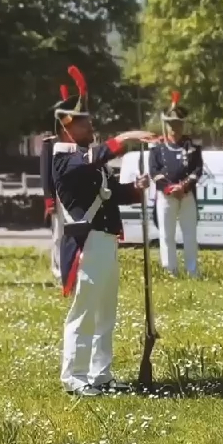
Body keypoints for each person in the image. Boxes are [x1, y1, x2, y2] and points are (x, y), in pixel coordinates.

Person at [50, 66, 154, 396]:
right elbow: (94, 158)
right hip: (86, 243)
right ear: (66, 128)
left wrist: (135, 189)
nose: (89, 125)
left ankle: (100, 372)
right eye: (82, 122)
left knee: (106, 309)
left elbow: (109, 192)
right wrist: (124, 139)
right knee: (84, 311)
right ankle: (74, 375)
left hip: (106, 239)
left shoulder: (88, 158)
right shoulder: (64, 159)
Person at [149, 91, 204, 279]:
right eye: (172, 124)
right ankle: (170, 270)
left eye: (178, 124)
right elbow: (154, 172)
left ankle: (192, 271)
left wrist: (184, 187)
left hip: (187, 195)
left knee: (189, 235)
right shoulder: (157, 149)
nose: (175, 128)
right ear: (166, 125)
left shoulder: (193, 147)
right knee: (166, 235)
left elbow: (197, 170)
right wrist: (168, 188)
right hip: (166, 196)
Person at [39, 85, 68, 282]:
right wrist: (49, 199)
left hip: (73, 194)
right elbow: (45, 173)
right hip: (58, 194)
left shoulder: (77, 142)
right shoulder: (50, 144)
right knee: (58, 234)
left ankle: (70, 266)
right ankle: (58, 269)